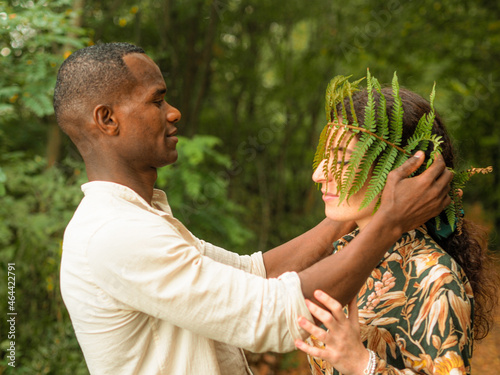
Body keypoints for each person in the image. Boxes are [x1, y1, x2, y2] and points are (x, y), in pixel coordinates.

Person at [53, 43, 452, 375]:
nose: (174, 112)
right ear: (107, 119)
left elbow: (256, 273)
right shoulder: (115, 233)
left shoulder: (141, 218)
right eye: (157, 100)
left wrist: (356, 207)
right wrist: (389, 221)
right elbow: (276, 316)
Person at [294, 84, 498, 374]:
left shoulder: (435, 278)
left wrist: (361, 364)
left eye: (341, 160)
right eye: (324, 158)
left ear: (405, 170)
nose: (318, 174)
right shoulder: (340, 257)